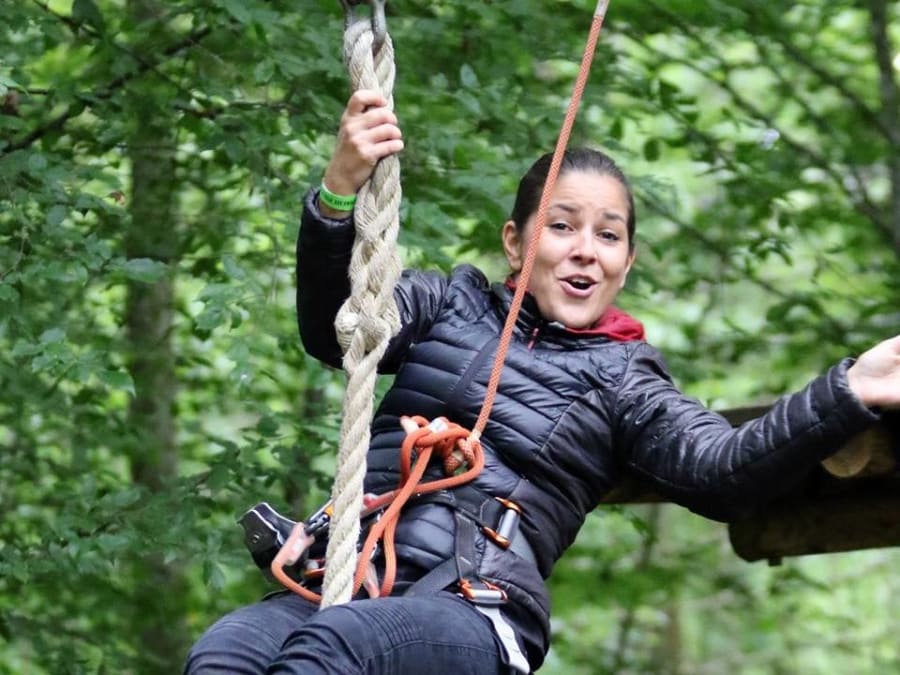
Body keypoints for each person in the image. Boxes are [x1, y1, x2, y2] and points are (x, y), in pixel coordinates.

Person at [185, 89, 900, 674]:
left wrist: (849, 388)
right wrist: (339, 192)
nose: (585, 250)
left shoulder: (625, 378)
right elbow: (336, 331)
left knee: (333, 649)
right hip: (351, 581)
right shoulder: (451, 304)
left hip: (472, 611)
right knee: (223, 654)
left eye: (608, 234)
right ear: (516, 240)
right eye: (562, 226)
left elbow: (723, 470)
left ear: (627, 260)